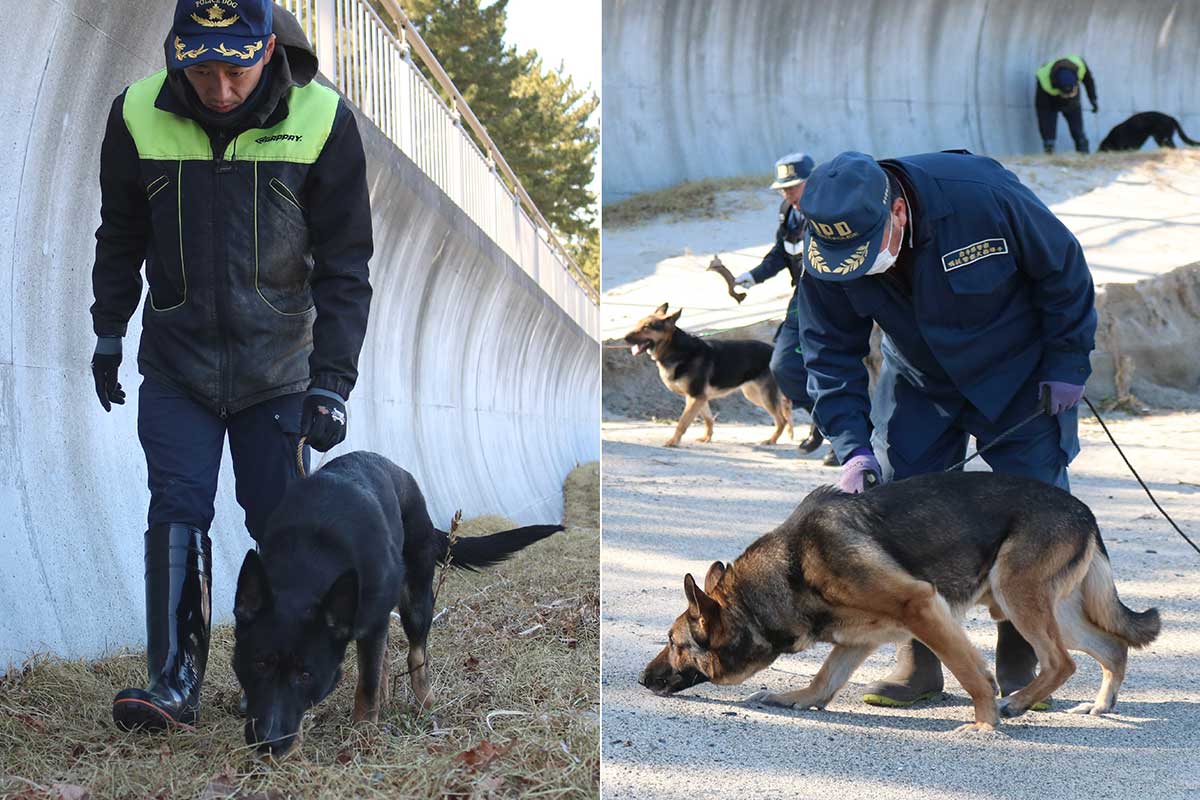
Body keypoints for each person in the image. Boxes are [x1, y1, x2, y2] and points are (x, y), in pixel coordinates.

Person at [89, 0, 373, 731]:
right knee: (176, 508)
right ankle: (173, 681)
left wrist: (331, 383)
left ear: (267, 49)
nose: (219, 90)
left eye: (235, 71)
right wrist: (108, 333)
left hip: (277, 373)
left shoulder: (323, 120)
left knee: (284, 526)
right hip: (176, 365)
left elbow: (345, 266)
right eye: (201, 71)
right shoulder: (136, 116)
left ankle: (278, 681)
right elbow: (119, 234)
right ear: (176, 52)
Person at [795, 150, 1096, 709]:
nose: (857, 268)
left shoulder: (980, 197)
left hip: (1020, 376)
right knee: (903, 513)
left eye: (865, 254)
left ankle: (1020, 649)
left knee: (1035, 505)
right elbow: (827, 351)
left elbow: (1063, 270)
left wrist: (1067, 362)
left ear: (897, 213)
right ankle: (919, 657)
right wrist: (852, 446)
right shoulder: (827, 254)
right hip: (919, 381)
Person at [734, 153, 830, 461]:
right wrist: (753, 276)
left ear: (812, 182)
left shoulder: (831, 211)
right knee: (783, 365)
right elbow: (780, 252)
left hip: (832, 300)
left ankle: (846, 440)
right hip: (800, 300)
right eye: (783, 189)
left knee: (830, 365)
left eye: (793, 187)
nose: (787, 194)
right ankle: (824, 420)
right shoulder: (787, 212)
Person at [1035, 55, 1098, 154]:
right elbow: (1043, 111)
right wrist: (1048, 140)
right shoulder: (1044, 82)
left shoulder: (1079, 65)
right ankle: (1049, 152)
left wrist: (1093, 99)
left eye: (1070, 93)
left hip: (1073, 102)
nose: (1068, 96)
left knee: (1078, 130)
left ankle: (1083, 153)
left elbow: (1088, 81)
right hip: (1049, 100)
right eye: (1066, 95)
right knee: (1048, 129)